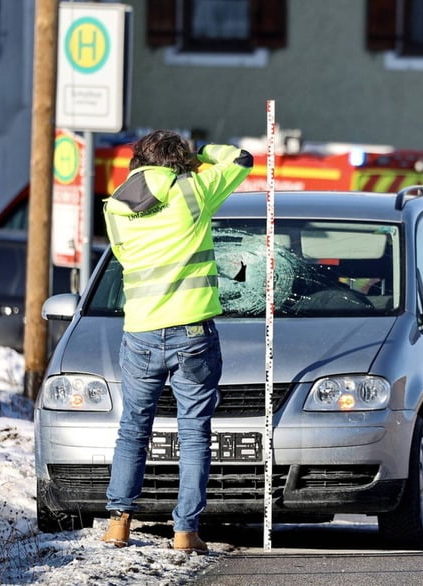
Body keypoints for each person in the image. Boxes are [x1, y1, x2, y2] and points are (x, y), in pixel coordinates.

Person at [100, 129, 253, 553]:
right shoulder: (194, 190)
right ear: (179, 162)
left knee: (133, 427)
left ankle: (118, 523)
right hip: (192, 332)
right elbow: (241, 159)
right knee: (194, 432)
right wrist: (200, 154)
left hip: (141, 332)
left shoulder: (115, 207)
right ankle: (185, 532)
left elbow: (125, 258)